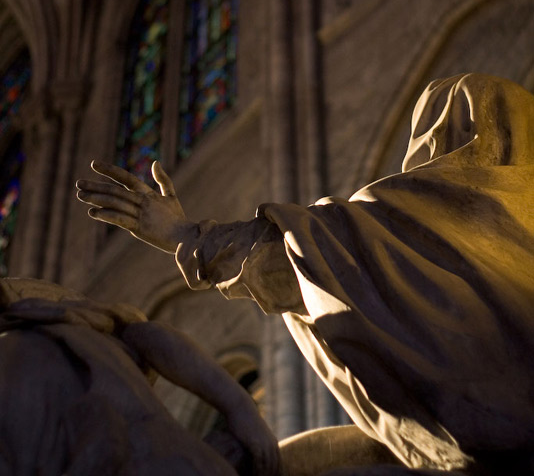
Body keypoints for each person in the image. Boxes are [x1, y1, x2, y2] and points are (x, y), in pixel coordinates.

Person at [77, 73, 534, 474]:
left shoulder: (410, 223)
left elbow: (296, 258)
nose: (422, 158)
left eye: (432, 135)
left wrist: (182, 233)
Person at [0, 277, 279, 475]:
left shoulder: (59, 326)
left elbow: (147, 337)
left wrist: (239, 408)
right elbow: (148, 336)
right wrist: (240, 409)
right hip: (182, 459)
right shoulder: (68, 323)